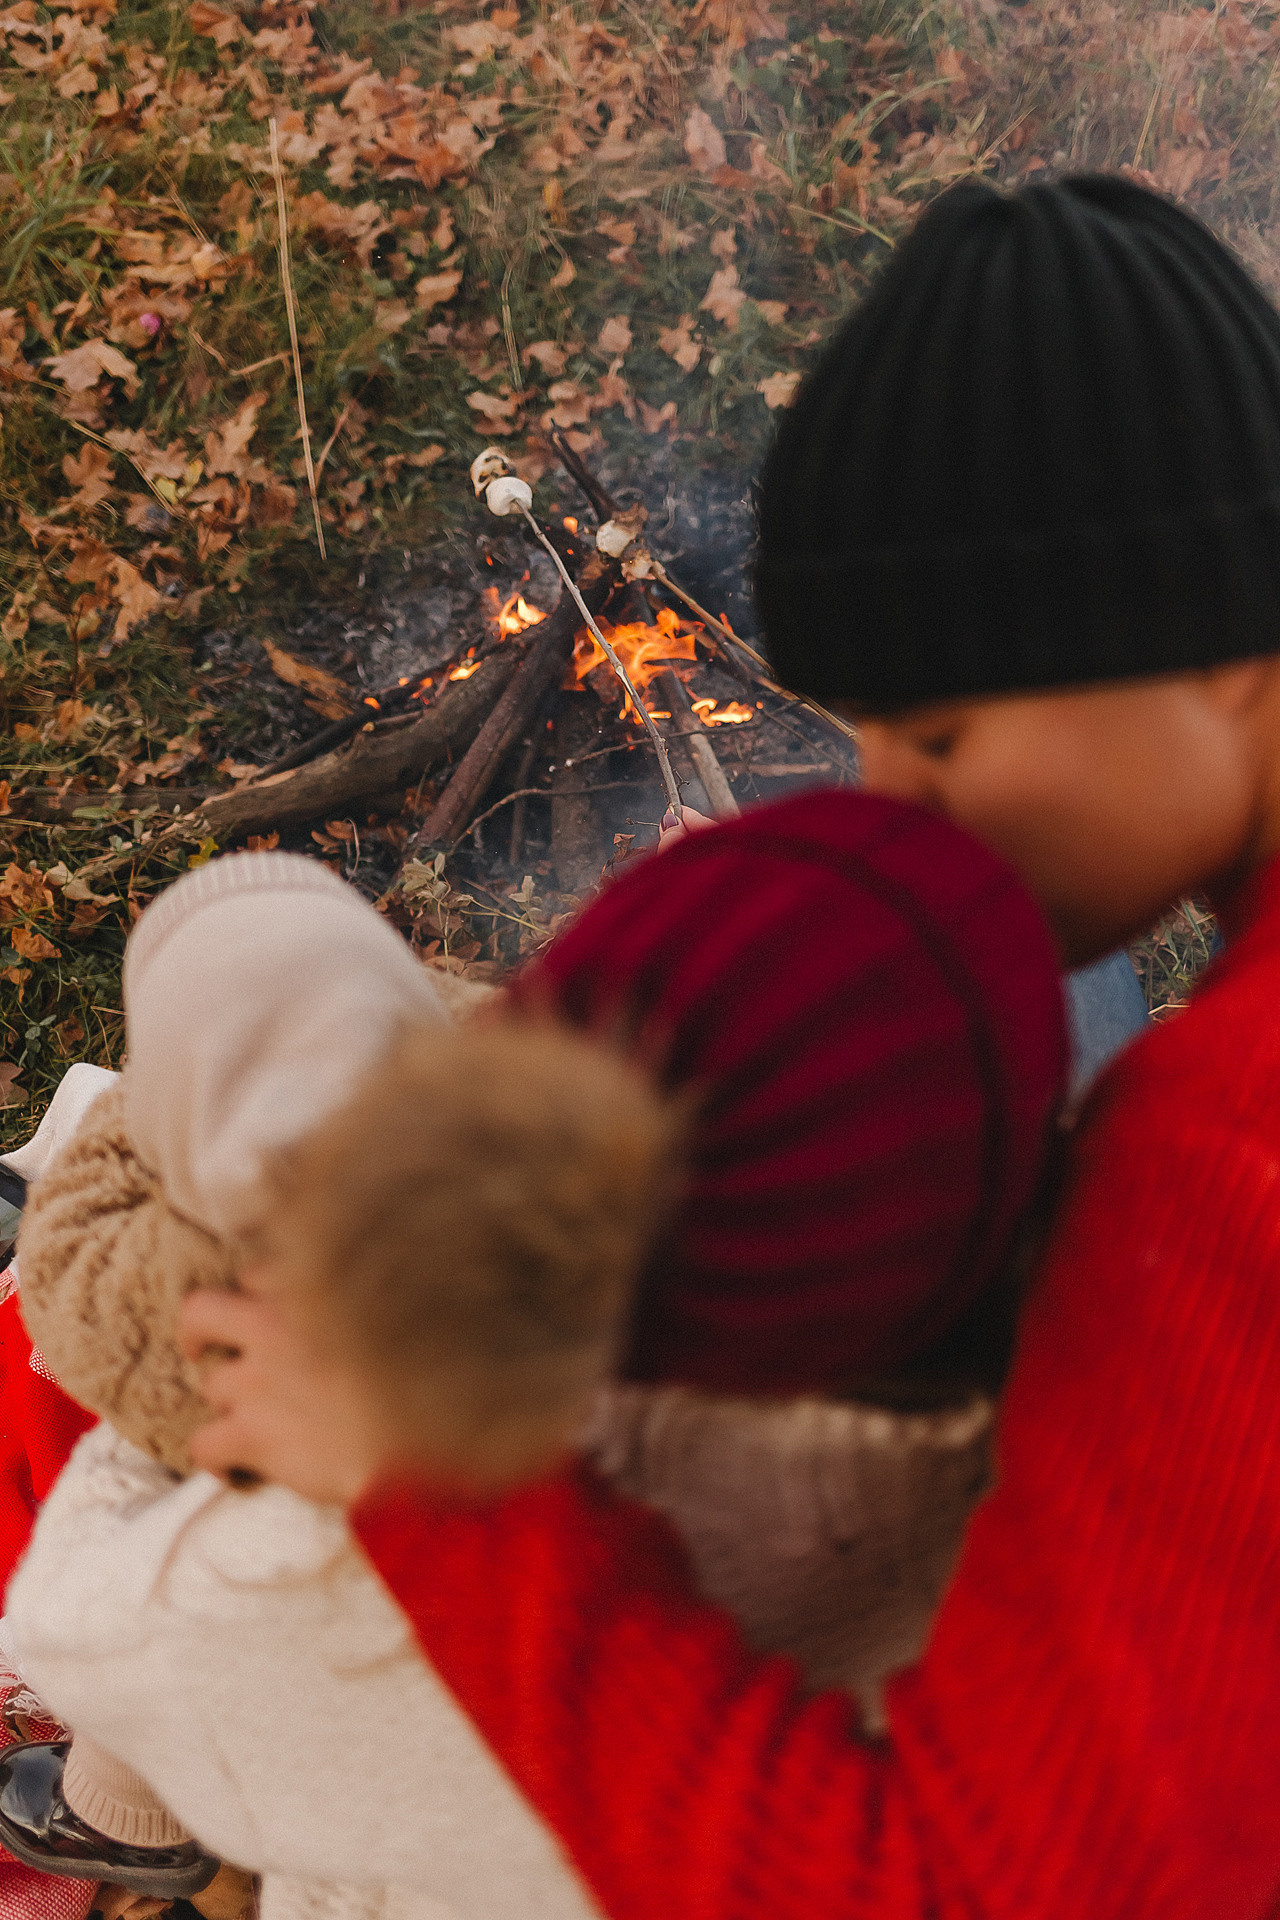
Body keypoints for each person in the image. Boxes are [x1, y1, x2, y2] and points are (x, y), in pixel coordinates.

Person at [185, 174, 1280, 1920]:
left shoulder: (1226, 1160)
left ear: (1220, 645)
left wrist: (431, 1474)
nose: (888, 815)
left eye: (937, 740)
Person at [6, 791, 1065, 1914]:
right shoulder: (1045, 1444)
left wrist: (281, 1284)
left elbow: (83, 1629)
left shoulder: (359, 1568)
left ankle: (135, 1837)